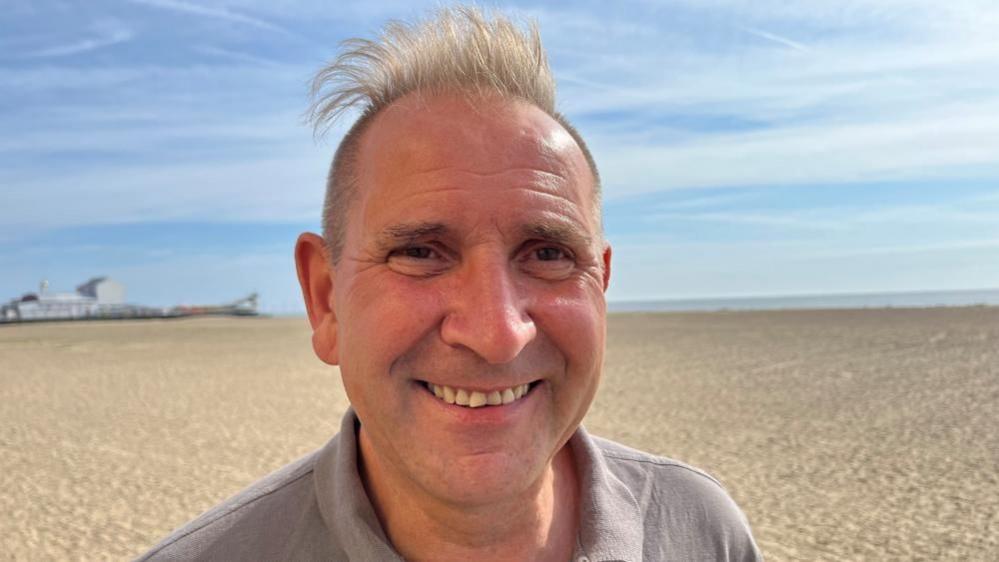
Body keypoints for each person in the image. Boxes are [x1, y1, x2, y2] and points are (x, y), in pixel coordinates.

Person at [139, 6, 762, 561]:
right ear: (325, 299)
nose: (497, 333)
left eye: (547, 253)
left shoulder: (700, 529)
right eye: (419, 252)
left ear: (600, 284)